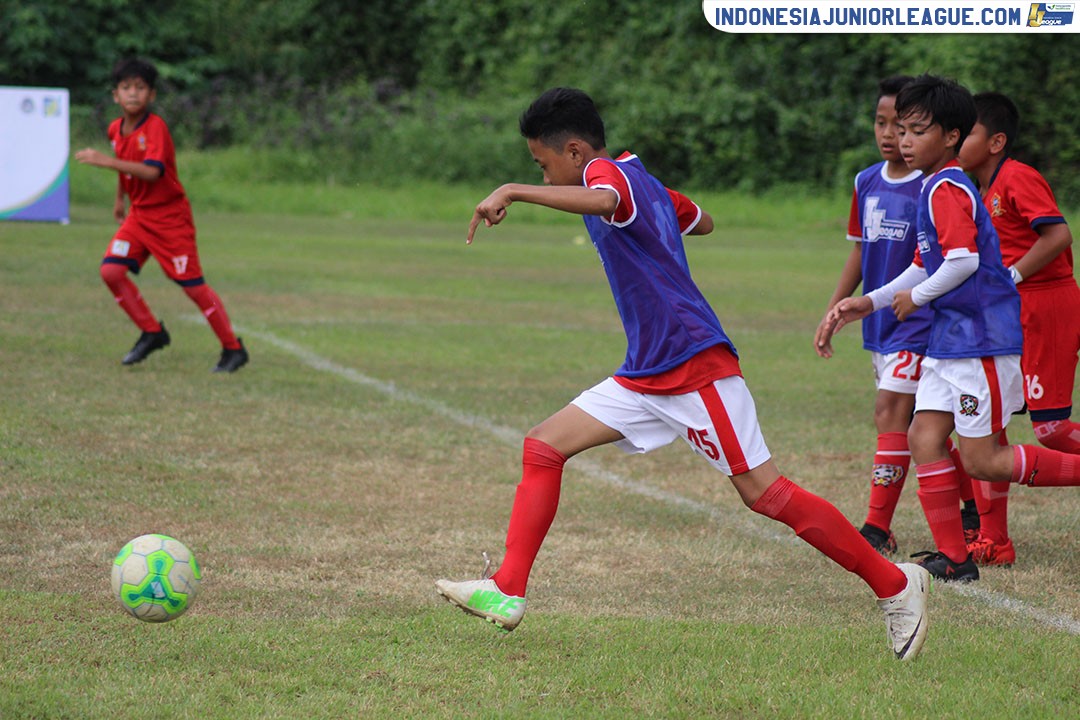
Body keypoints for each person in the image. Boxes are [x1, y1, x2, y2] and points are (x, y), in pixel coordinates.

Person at [436, 87, 930, 661]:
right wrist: (663, 218)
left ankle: (897, 586)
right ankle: (508, 590)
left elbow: (605, 200)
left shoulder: (606, 178)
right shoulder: (635, 178)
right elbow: (705, 220)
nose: (543, 177)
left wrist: (512, 192)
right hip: (647, 371)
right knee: (543, 447)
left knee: (766, 494)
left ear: (574, 152)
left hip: (694, 364)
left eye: (542, 166)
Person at [826, 75, 1080, 583]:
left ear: (950, 137)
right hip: (950, 342)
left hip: (981, 341)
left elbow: (961, 262)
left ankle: (964, 553)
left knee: (984, 460)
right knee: (923, 436)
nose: (904, 141)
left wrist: (913, 299)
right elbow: (926, 261)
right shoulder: (933, 185)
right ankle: (957, 560)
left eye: (917, 131)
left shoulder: (945, 186)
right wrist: (868, 301)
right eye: (901, 130)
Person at [955, 91, 1080, 567]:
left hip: (1044, 305)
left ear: (995, 141)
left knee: (1050, 429)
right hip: (1011, 315)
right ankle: (995, 540)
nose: (956, 140)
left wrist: (1014, 275)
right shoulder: (978, 188)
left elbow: (1059, 235)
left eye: (966, 132)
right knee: (990, 428)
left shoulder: (1016, 177)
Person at [74, 57, 248, 372]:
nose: (132, 94)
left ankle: (233, 349)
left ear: (151, 96)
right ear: (115, 95)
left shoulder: (155, 128)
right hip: (139, 217)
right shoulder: (116, 128)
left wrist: (106, 162)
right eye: (126, 87)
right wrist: (119, 200)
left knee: (193, 286)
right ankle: (152, 332)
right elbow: (124, 165)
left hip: (170, 218)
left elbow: (152, 173)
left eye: (140, 88)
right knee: (111, 271)